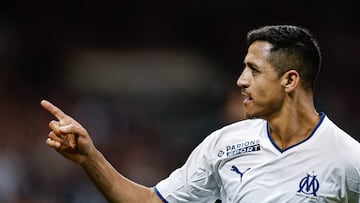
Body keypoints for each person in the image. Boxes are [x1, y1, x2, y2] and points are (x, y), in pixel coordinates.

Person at [41, 25, 360, 202]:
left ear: (290, 80)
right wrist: (90, 158)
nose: (241, 80)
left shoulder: (348, 159)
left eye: (254, 70)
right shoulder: (223, 143)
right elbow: (151, 202)